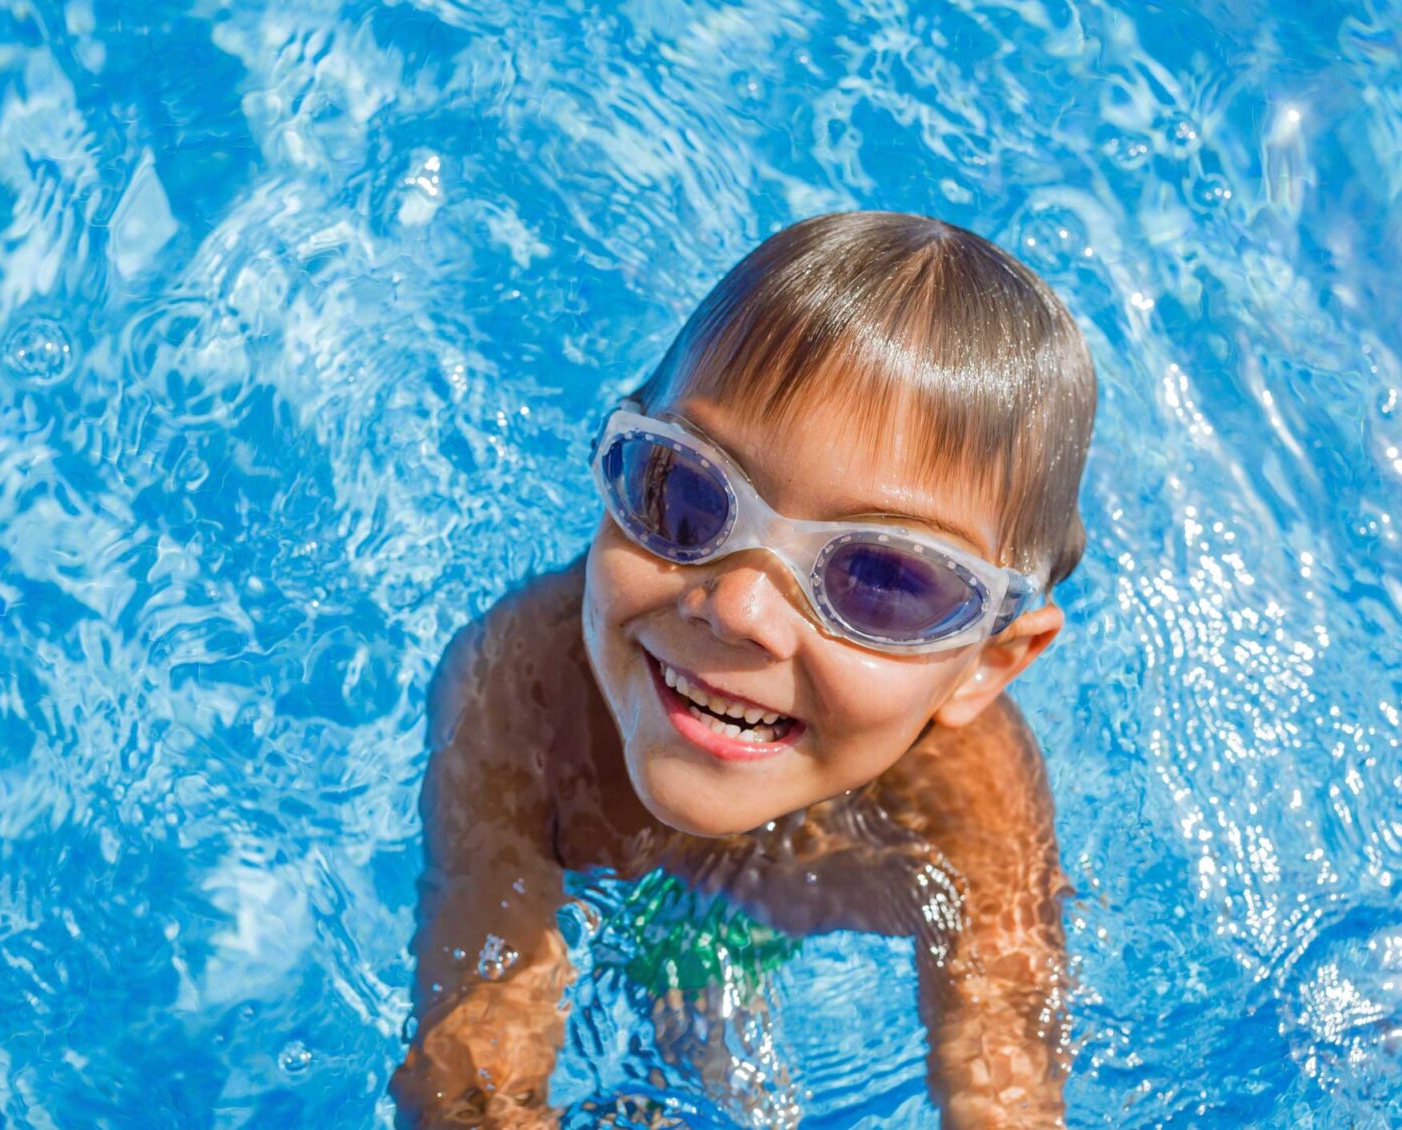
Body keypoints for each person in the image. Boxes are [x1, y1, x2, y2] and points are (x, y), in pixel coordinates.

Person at [390, 211, 1096, 1128]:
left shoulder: (962, 811)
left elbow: (1006, 1083)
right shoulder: (524, 690)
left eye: (881, 578)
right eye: (684, 493)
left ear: (986, 666)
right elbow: (469, 1074)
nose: (736, 609)